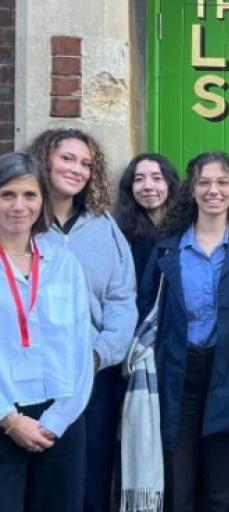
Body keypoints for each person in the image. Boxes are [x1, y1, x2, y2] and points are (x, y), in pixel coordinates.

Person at [139, 151, 229, 512]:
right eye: (204, 182)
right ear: (191, 191)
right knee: (177, 484)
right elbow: (146, 311)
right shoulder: (168, 249)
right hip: (177, 374)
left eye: (223, 182)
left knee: (224, 487)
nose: (214, 190)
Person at [29, 128, 137, 512]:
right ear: (45, 160)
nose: (77, 169)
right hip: (33, 377)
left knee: (90, 483)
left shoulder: (103, 227)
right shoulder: (23, 221)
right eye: (67, 158)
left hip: (92, 375)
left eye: (86, 163)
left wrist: (98, 354)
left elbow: (122, 300)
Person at [0, 152, 93, 511]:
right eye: (7, 195)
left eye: (29, 195)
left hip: (61, 418)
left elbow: (81, 348)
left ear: (42, 200)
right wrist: (9, 420)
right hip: (6, 413)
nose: (19, 206)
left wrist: (57, 419)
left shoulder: (62, 262)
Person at [115, 152, 181, 279]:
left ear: (169, 184)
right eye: (139, 179)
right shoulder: (120, 232)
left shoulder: (186, 228)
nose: (148, 187)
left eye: (157, 178)